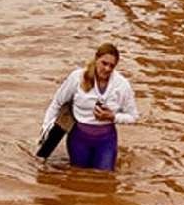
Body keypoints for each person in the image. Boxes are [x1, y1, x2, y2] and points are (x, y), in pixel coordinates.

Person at [40, 43, 138, 171]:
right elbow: (57, 103)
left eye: (112, 66)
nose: (107, 68)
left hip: (106, 141)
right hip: (79, 138)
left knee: (105, 178)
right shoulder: (77, 77)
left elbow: (133, 117)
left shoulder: (121, 85)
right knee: (78, 176)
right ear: (96, 59)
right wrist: (46, 128)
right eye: (104, 63)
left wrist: (113, 117)